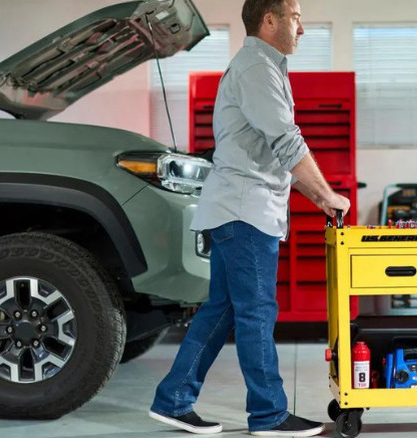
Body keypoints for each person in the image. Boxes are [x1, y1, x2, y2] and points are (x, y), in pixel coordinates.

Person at [148, 0, 350, 436]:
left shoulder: (265, 67)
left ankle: (173, 400)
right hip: (245, 212)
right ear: (270, 20)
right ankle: (269, 414)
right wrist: (326, 194)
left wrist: (316, 196)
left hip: (238, 209)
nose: (302, 28)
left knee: (222, 310)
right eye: (296, 18)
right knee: (257, 311)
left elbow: (272, 152)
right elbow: (286, 141)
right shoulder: (257, 69)